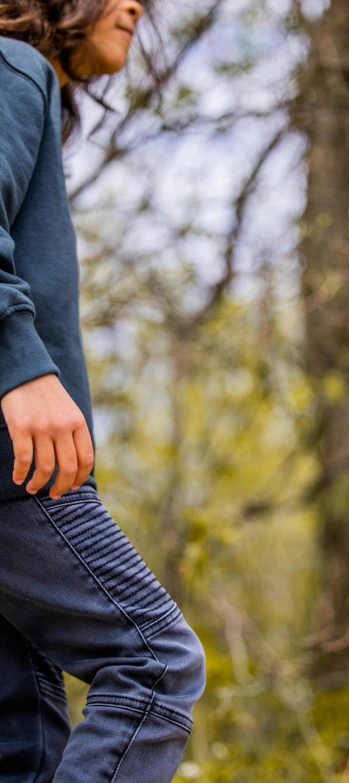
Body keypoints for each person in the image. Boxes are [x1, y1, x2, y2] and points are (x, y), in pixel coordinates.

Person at [0, 2, 206, 781]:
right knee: (154, 664)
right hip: (16, 461)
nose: (135, 6)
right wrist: (20, 364)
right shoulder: (11, 68)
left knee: (24, 736)